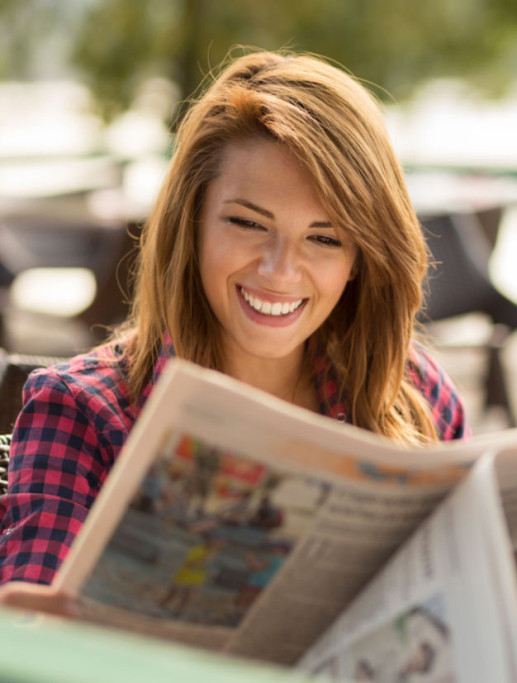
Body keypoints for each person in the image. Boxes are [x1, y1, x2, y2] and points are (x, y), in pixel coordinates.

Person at [0, 49, 468, 598]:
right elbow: (30, 645)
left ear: (361, 258)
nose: (279, 272)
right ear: (190, 224)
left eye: (324, 238)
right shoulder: (82, 413)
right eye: (248, 223)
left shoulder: (416, 395)